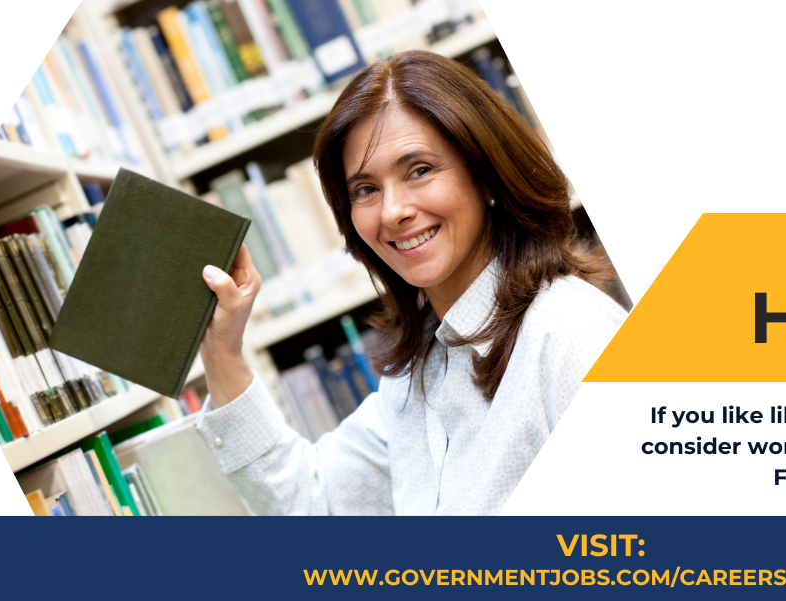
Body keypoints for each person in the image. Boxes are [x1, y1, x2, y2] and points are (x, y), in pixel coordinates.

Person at [192, 51, 627, 515]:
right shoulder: (421, 370)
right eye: (366, 189)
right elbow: (314, 504)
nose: (392, 211)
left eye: (419, 170)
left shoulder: (570, 333)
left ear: (486, 175)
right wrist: (222, 352)